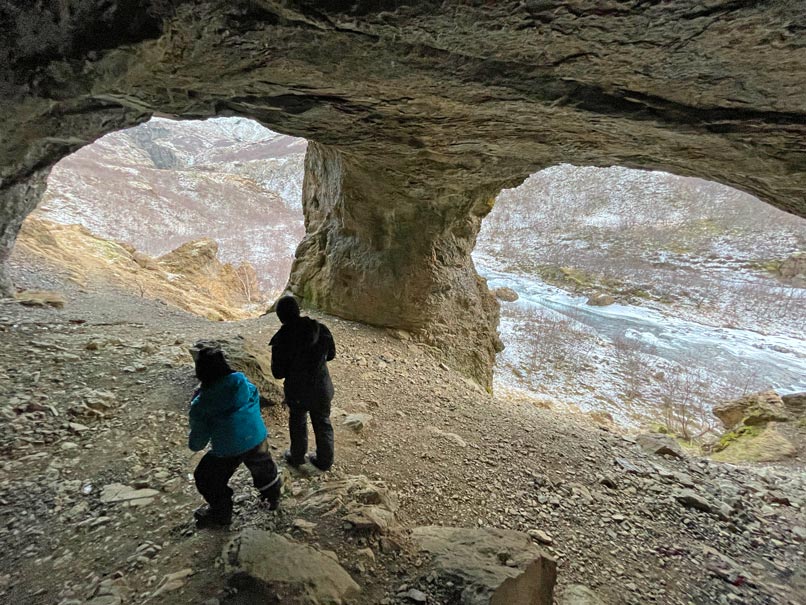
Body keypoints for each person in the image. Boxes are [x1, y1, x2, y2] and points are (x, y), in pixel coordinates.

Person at [188, 341, 281, 528]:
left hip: (227, 448)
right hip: (256, 436)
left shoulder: (201, 403)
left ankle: (221, 514)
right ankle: (273, 498)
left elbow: (198, 443)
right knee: (264, 467)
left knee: (206, 478)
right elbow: (253, 401)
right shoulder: (243, 383)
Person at [270, 295, 336, 471]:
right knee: (322, 421)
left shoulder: (281, 340)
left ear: (281, 317)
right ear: (298, 311)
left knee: (298, 421)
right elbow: (331, 355)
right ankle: (325, 460)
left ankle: (297, 456)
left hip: (297, 390)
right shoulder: (320, 329)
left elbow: (278, 373)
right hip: (322, 387)